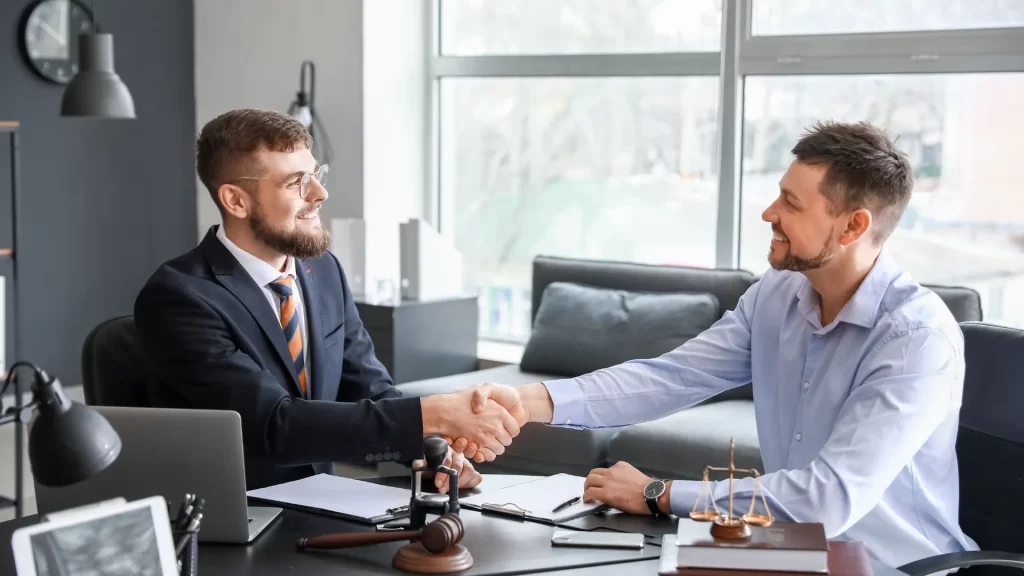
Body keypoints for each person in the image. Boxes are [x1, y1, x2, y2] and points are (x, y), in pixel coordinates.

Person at [459, 121, 979, 567]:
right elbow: (673, 377)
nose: (769, 212)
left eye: (791, 204)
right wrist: (529, 403)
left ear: (853, 226)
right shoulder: (778, 295)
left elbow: (828, 498)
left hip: (889, 565)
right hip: (790, 550)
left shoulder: (915, 341)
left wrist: (657, 494)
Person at [134, 108, 518, 492]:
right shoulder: (179, 298)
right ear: (236, 201)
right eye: (296, 183)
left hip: (326, 502)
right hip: (244, 519)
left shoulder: (322, 270)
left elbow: (366, 387)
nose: (320, 194)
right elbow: (275, 426)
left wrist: (423, 450)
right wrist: (431, 413)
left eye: (316, 175)